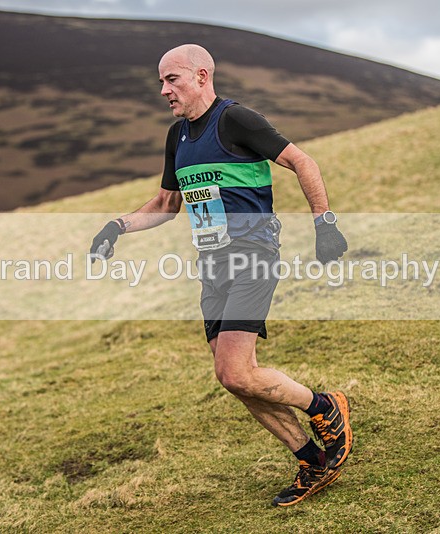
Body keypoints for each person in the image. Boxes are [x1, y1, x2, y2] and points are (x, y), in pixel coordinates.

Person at [89, 44, 351, 506]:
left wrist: (324, 222)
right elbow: (169, 203)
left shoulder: (235, 120)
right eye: (161, 82)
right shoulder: (178, 137)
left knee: (235, 369)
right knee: (231, 375)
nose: (165, 90)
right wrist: (117, 226)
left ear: (202, 76)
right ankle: (312, 459)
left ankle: (325, 406)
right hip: (212, 265)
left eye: (172, 79)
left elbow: (301, 161)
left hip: (253, 254)